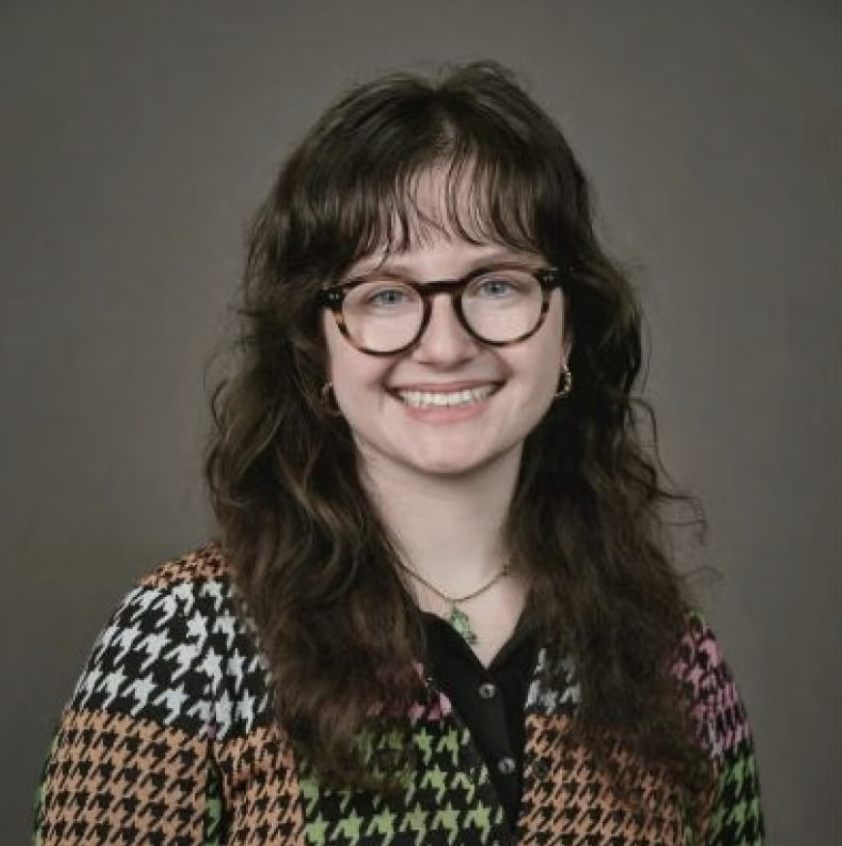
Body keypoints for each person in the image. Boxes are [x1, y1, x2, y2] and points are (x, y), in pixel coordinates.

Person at [33, 61, 764, 845]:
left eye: (496, 284)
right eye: (385, 294)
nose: (444, 347)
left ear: (567, 331)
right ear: (317, 348)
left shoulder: (674, 663)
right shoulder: (184, 642)